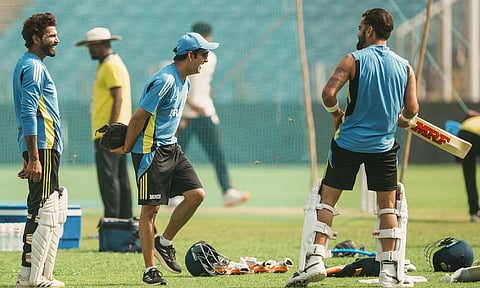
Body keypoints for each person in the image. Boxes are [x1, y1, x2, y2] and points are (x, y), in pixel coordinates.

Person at [286, 8, 419, 288]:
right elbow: (412, 110)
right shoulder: (405, 66)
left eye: (361, 27)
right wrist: (404, 122)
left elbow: (327, 94)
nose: (358, 32)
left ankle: (314, 262)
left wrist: (336, 115)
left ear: (370, 30)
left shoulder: (353, 59)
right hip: (383, 146)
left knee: (326, 201)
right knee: (387, 209)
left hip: (347, 143)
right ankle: (390, 272)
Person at [111, 32, 219, 285]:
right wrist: (127, 147)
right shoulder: (164, 80)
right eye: (203, 54)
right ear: (190, 55)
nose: (206, 59)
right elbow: (138, 118)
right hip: (149, 152)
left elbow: (167, 117)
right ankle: (150, 270)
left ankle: (164, 242)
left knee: (197, 195)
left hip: (171, 148)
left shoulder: (185, 82)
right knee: (150, 210)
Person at [13, 13, 66, 288]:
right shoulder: (33, 67)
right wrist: (34, 157)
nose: (56, 40)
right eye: (50, 36)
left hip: (41, 147)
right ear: (36, 39)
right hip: (42, 147)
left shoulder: (29, 64)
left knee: (39, 206)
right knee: (43, 209)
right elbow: (28, 111)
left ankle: (28, 273)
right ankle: (34, 277)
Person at [175, 22, 249, 207]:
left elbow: (201, 86)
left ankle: (227, 192)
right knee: (175, 155)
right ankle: (173, 195)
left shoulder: (211, 58)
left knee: (217, 154)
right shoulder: (185, 59)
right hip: (186, 115)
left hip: (206, 113)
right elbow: (181, 86)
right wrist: (188, 108)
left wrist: (202, 102)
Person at [75, 27, 133, 219]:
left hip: (110, 132)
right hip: (119, 130)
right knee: (120, 177)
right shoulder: (111, 63)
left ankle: (112, 221)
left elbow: (118, 98)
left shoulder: (110, 65)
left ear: (103, 45)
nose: (89, 50)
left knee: (108, 178)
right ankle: (124, 220)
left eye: (92, 46)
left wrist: (111, 129)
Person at [457, 110, 480, 222]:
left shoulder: (473, 118)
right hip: (476, 135)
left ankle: (474, 212)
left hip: (463, 133)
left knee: (469, 175)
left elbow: (467, 115)